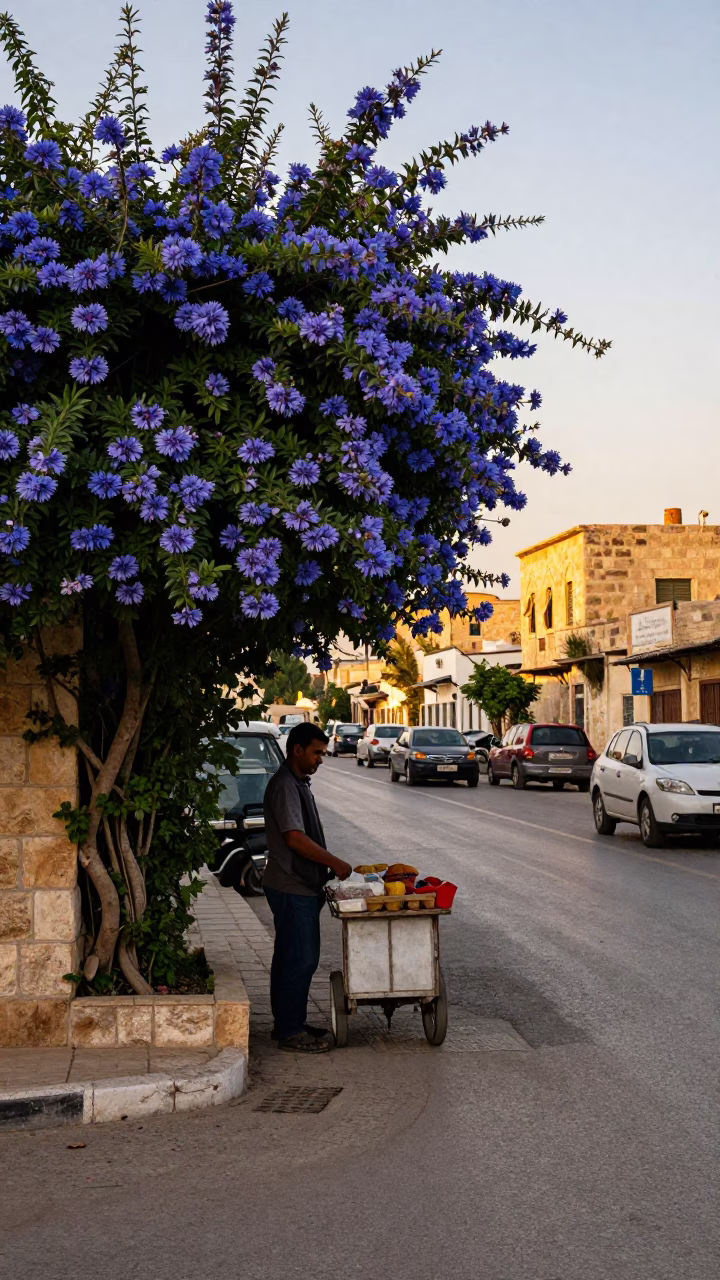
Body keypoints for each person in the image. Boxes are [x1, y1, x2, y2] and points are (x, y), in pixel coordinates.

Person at [263, 722, 351, 1053]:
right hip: (291, 885)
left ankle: (291, 1023)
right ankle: (289, 1031)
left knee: (295, 957)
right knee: (297, 959)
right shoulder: (286, 785)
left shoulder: (298, 782)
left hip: (301, 885)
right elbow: (294, 838)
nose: (320, 760)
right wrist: (335, 862)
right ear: (297, 749)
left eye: (323, 753)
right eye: (316, 752)